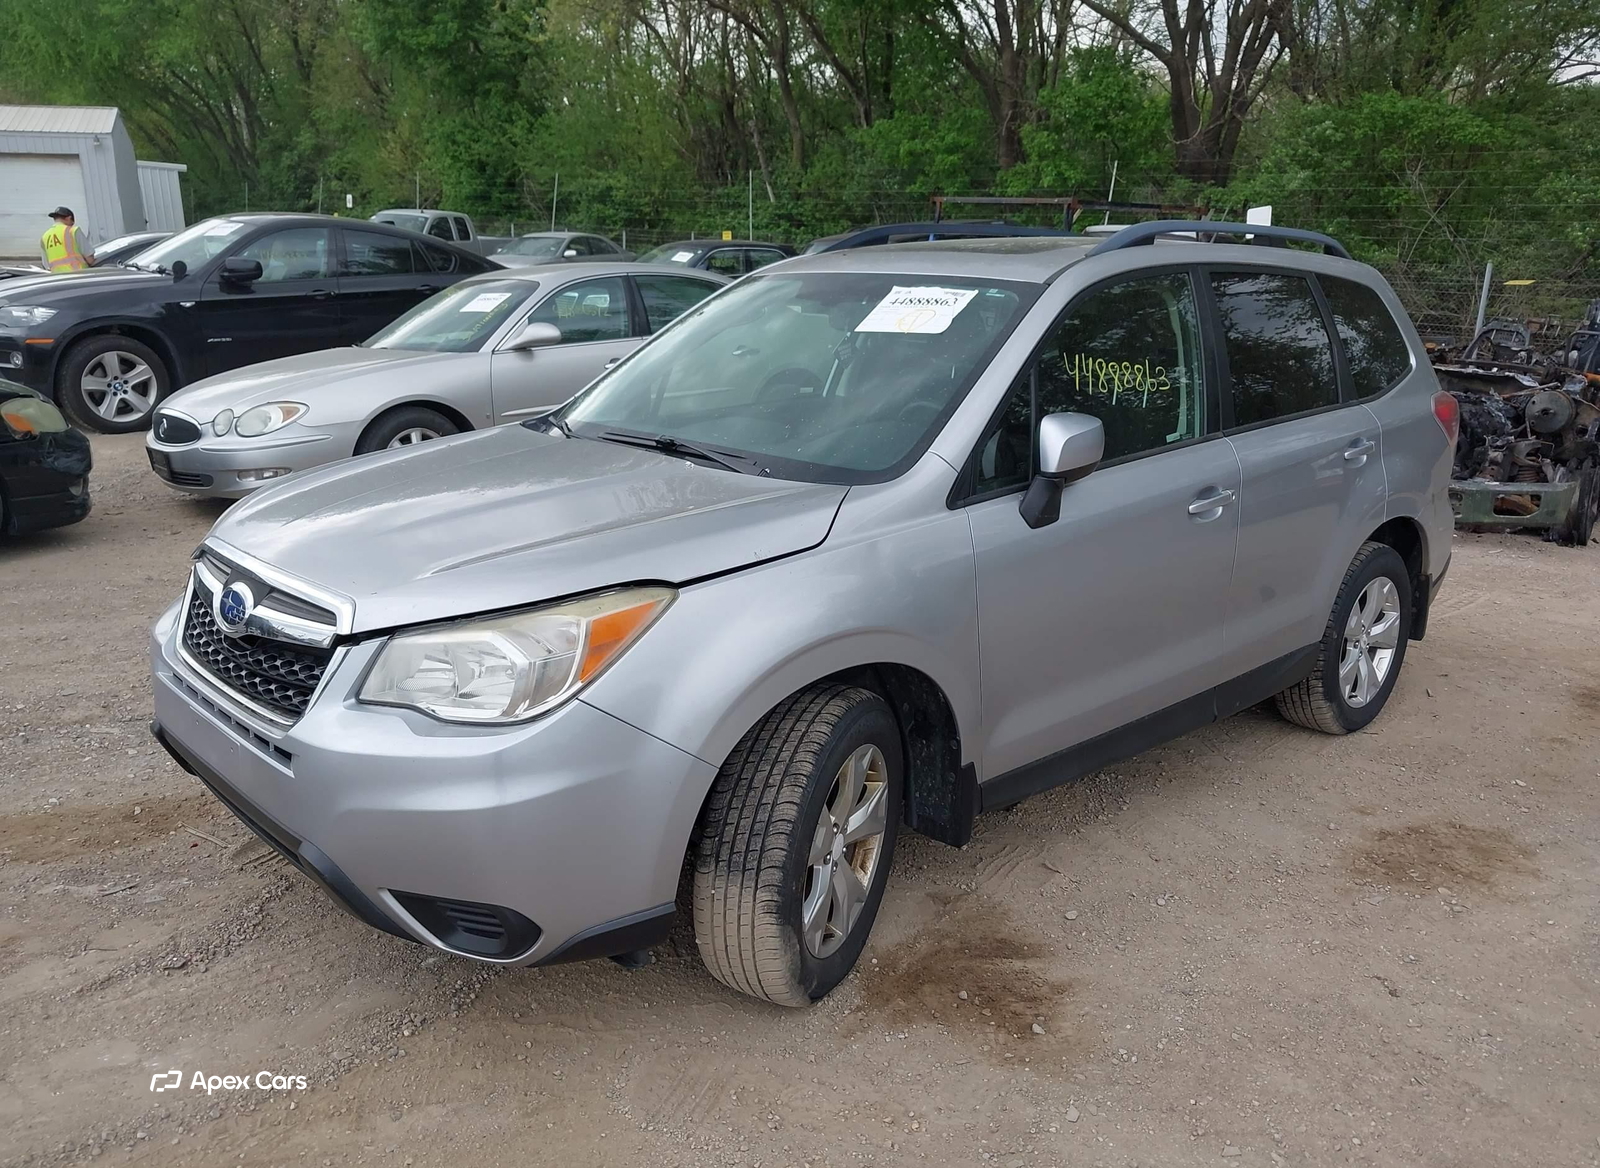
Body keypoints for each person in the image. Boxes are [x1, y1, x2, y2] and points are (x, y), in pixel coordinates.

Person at [41, 207, 94, 273]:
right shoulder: (73, 231)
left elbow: (46, 266)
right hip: (79, 276)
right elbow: (90, 260)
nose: (72, 225)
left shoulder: (44, 237)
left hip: (59, 280)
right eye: (72, 223)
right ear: (69, 218)